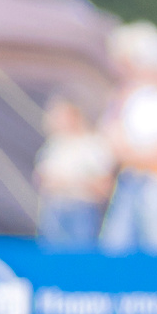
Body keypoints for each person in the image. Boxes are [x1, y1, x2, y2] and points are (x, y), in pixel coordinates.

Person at [100, 25, 157, 257]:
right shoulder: (138, 97)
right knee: (115, 245)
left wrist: (132, 156)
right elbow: (114, 139)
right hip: (132, 181)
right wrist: (136, 156)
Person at [32, 97, 113, 248]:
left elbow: (103, 186)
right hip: (55, 207)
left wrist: (69, 182)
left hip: (82, 208)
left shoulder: (93, 145)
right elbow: (41, 179)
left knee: (82, 254)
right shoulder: (54, 145)